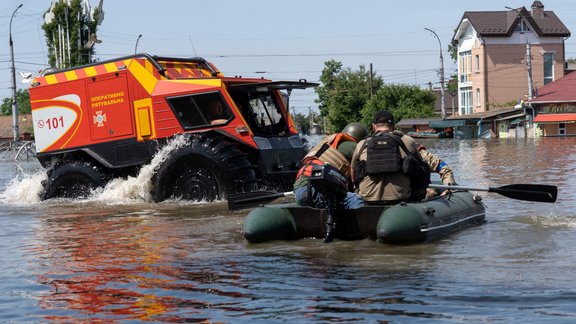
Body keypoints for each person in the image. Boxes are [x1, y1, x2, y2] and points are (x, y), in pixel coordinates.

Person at [351, 110, 456, 205]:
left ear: (373, 126)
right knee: (429, 186)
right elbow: (423, 167)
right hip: (401, 199)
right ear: (393, 126)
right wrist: (447, 187)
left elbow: (354, 175)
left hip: (367, 200)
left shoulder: (361, 145)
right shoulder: (408, 141)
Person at [293, 122, 369, 209]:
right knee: (355, 199)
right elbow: (372, 159)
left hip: (300, 190)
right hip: (315, 189)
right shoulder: (352, 146)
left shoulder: (329, 142)